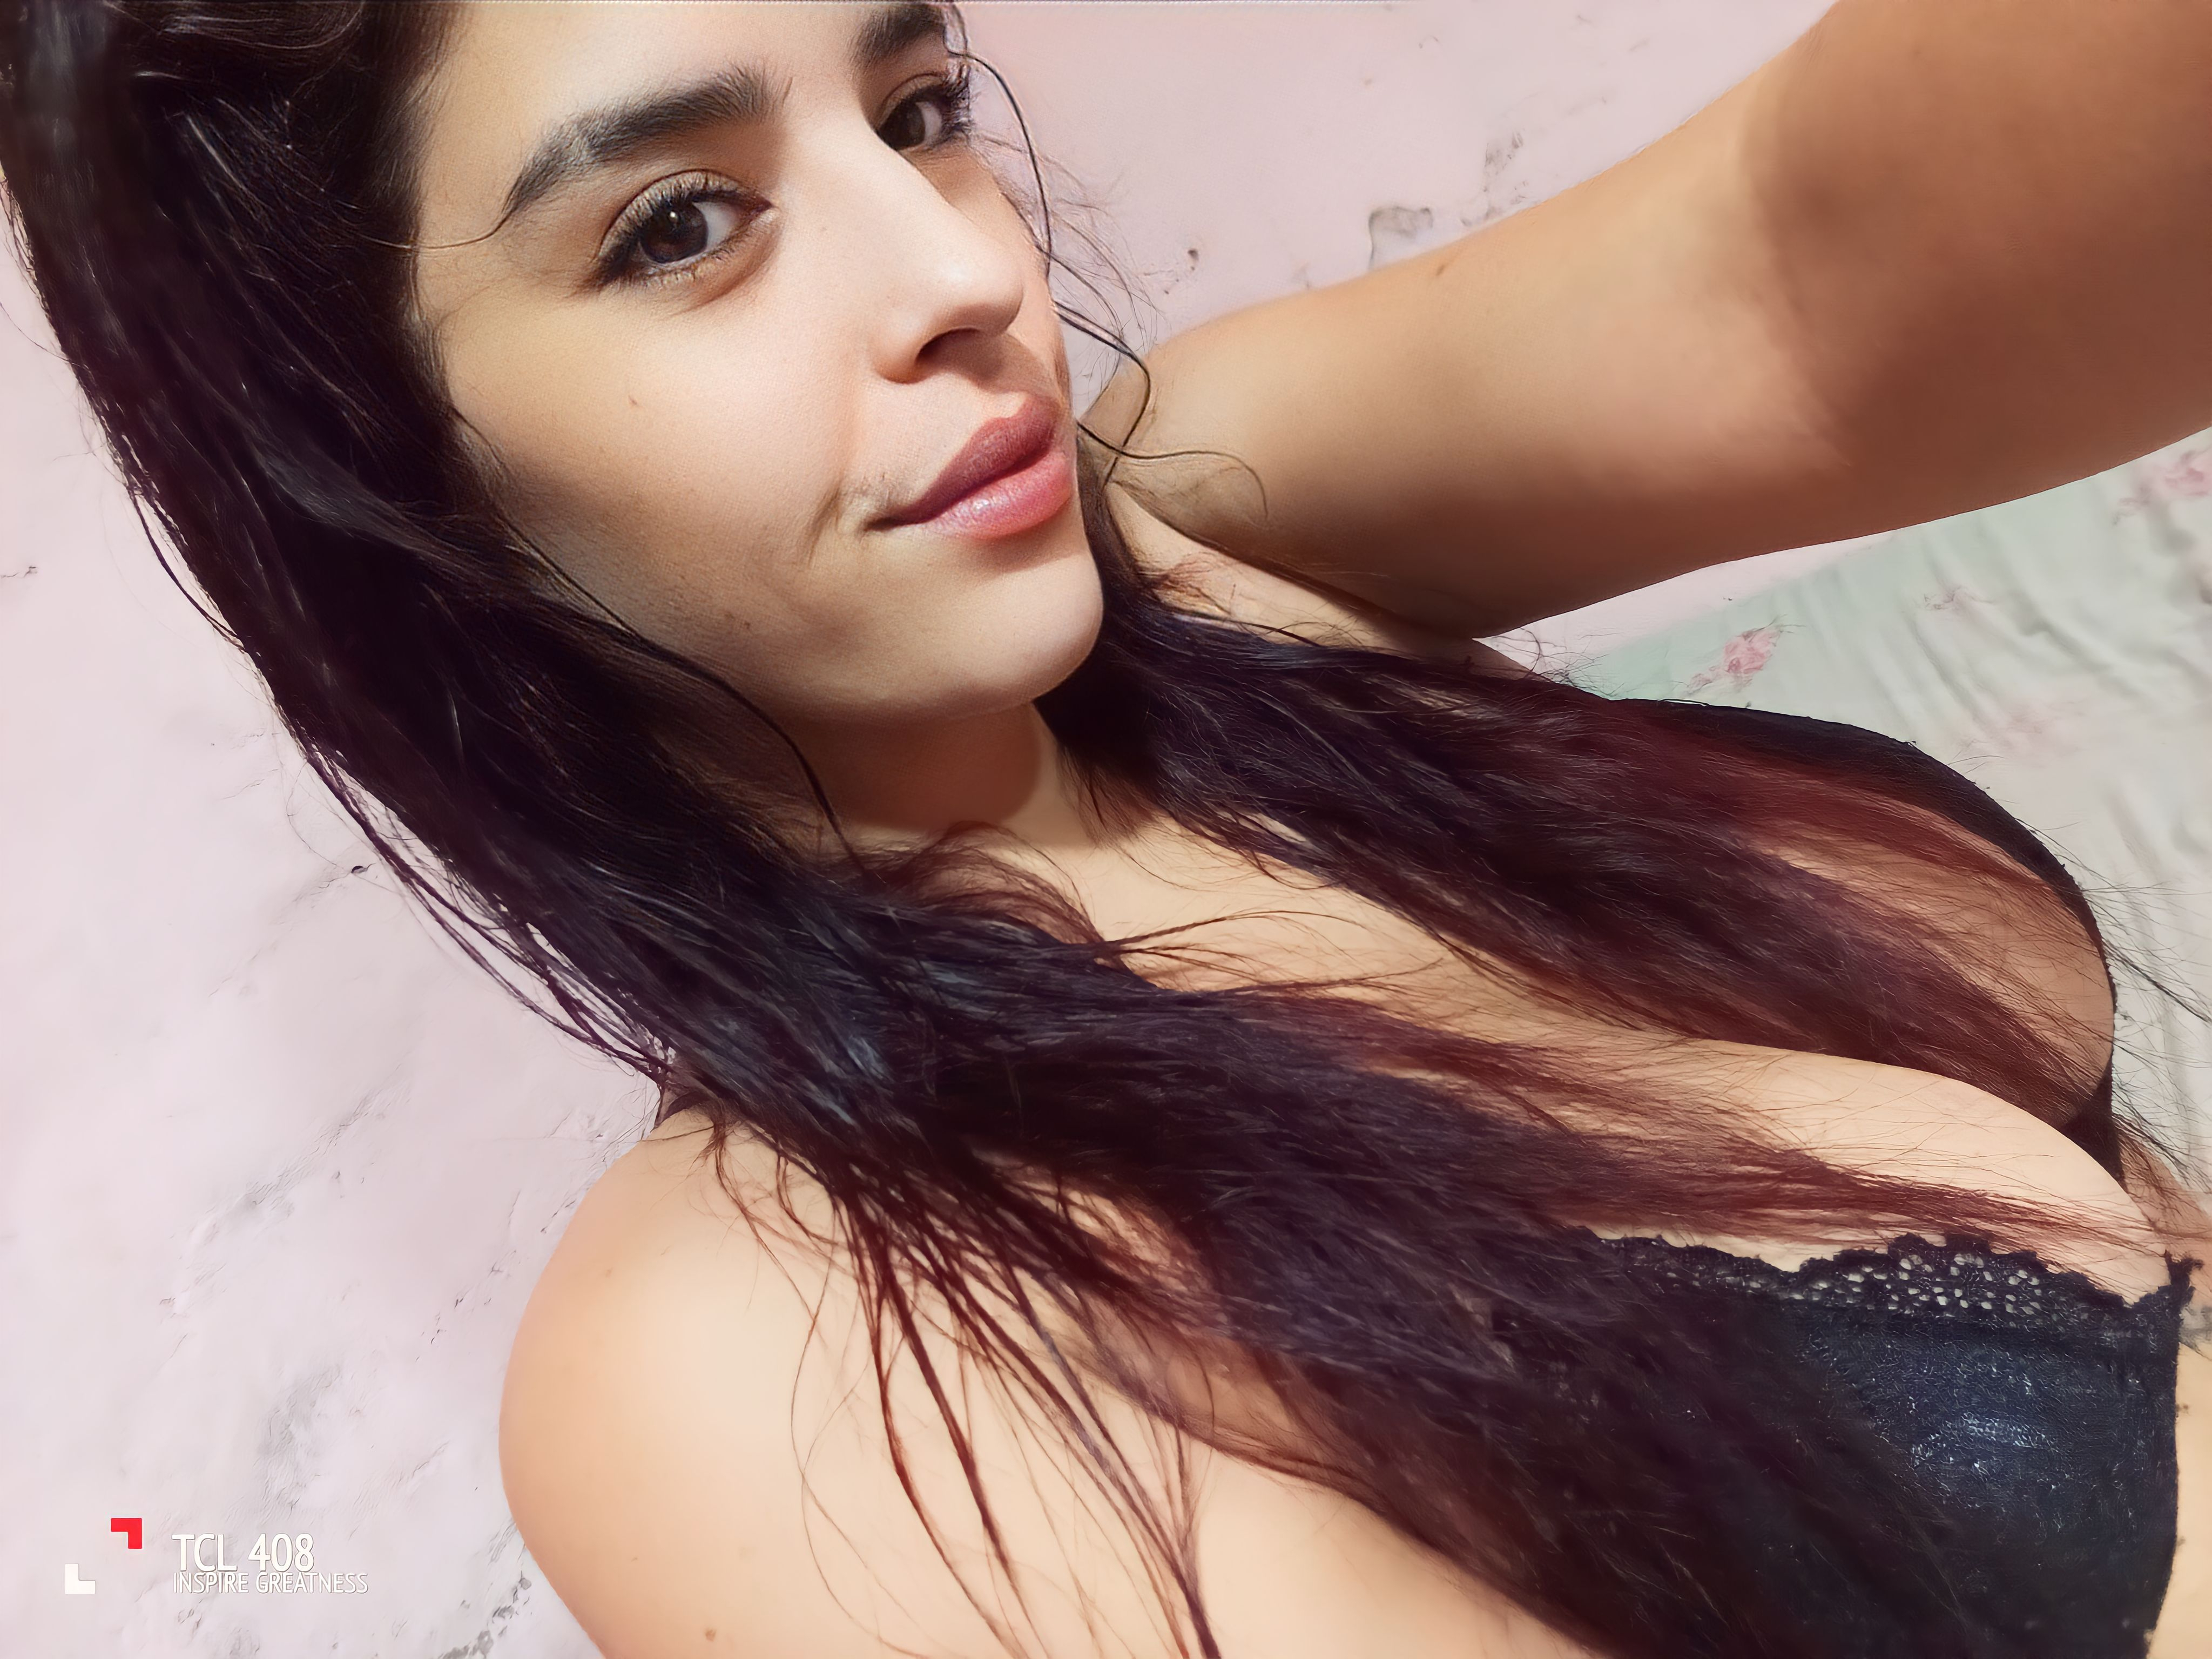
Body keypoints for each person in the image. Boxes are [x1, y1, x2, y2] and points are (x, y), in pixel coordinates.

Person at [3, 2, 2209, 1655]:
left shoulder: (1218, 550)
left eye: (915, 110)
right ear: (381, 468)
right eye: (681, 225)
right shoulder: (751, 1342)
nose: (957, 272)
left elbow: (1806, 271)